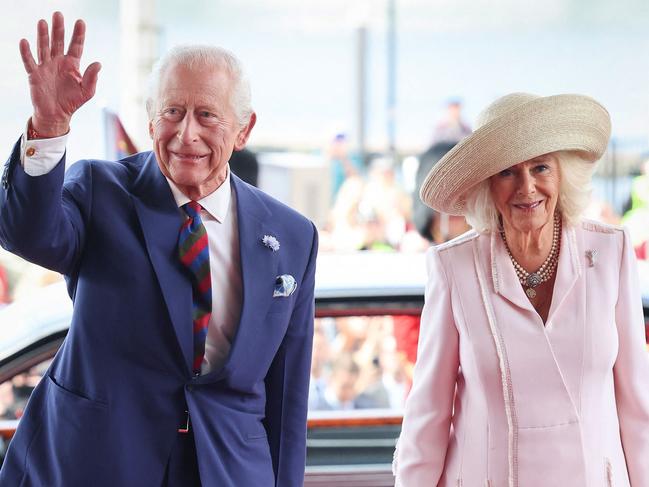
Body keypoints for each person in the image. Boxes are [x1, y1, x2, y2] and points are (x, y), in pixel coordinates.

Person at [0, 12, 317, 487]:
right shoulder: (99, 191)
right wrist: (49, 126)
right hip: (96, 462)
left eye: (207, 115)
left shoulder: (292, 235)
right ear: (150, 120)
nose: (187, 134)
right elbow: (27, 232)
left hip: (227, 470)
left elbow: (287, 396)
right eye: (172, 112)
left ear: (243, 129)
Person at [393, 93, 649, 486]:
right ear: (486, 186)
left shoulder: (609, 252)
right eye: (507, 172)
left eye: (540, 167)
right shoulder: (454, 267)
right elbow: (428, 412)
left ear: (562, 174)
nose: (527, 187)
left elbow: (637, 405)